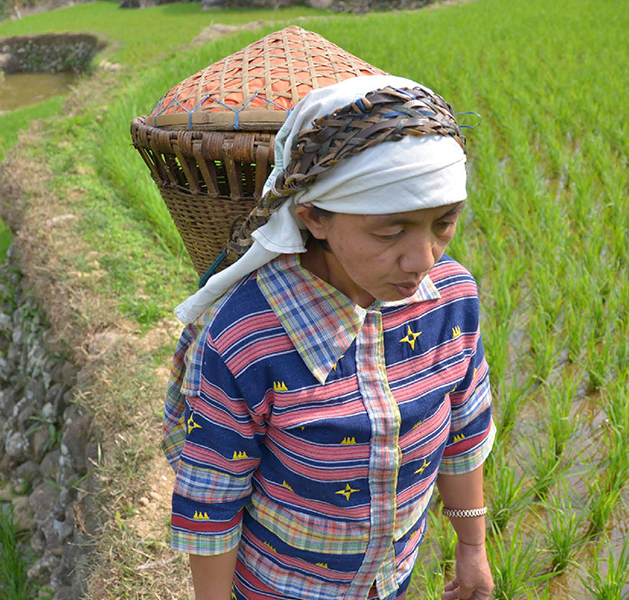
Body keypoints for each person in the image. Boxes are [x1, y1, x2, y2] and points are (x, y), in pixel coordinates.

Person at [162, 74, 496, 600]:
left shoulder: (450, 297)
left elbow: (464, 430)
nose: (423, 260)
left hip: (391, 581)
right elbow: (213, 497)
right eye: (390, 232)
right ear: (313, 216)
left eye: (443, 223)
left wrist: (472, 548)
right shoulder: (248, 336)